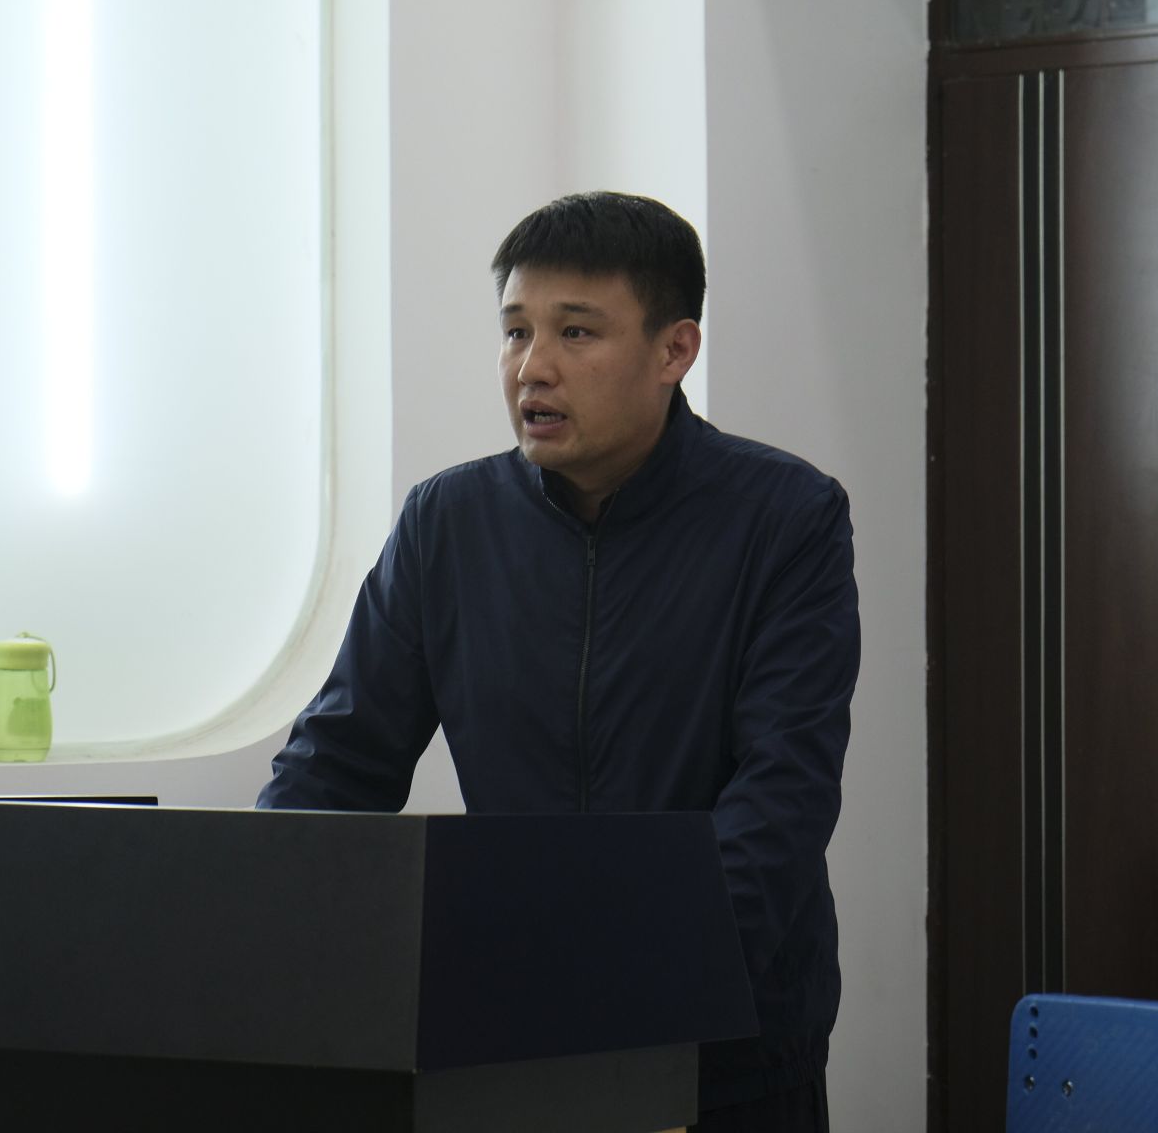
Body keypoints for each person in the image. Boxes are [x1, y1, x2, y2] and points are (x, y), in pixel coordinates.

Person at [256, 191, 859, 1133]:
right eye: (515, 332)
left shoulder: (784, 518)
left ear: (675, 350)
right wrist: (260, 929)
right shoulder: (447, 524)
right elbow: (337, 762)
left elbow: (781, 798)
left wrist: (636, 991)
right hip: (503, 1036)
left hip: (727, 1047)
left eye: (576, 332)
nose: (532, 367)